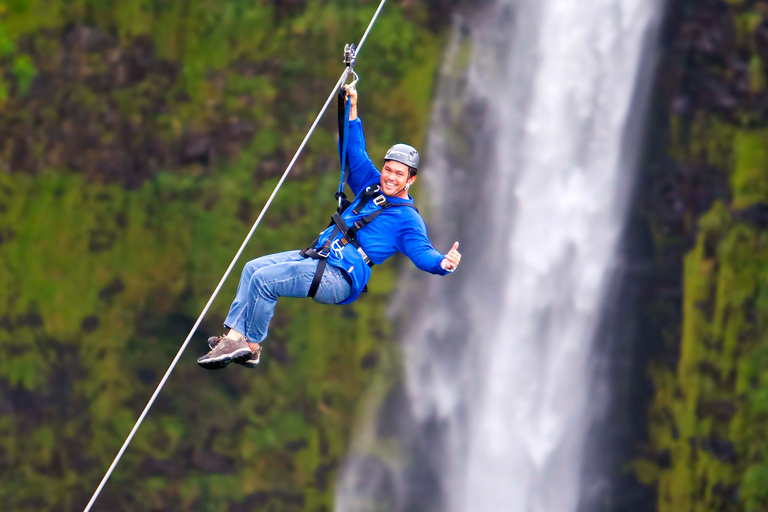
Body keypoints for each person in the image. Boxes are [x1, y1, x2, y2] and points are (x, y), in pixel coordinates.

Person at [197, 86, 462, 369]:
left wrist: (443, 263)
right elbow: (354, 151)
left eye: (399, 174)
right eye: (388, 169)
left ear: (411, 180)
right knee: (252, 269)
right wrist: (352, 109)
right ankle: (235, 338)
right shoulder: (371, 185)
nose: (391, 177)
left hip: (339, 277)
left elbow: (422, 253)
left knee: (264, 282)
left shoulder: (408, 220)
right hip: (319, 256)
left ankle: (250, 346)